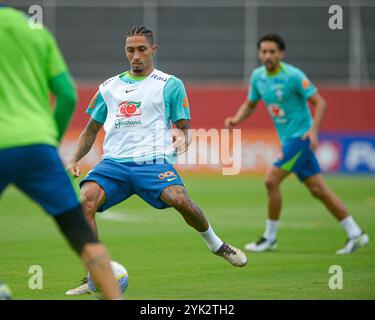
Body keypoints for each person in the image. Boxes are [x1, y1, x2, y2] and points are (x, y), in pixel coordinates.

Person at [65, 26, 247, 295]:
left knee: (180, 200)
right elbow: (91, 129)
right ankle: (94, 273)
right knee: (85, 202)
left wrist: (183, 141)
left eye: (141, 49)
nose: (135, 55)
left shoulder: (170, 84)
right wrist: (73, 159)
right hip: (114, 163)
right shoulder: (109, 87)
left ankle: (217, 245)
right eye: (130, 50)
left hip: (153, 162)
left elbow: (184, 128)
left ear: (153, 49)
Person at [0, 3, 122, 299]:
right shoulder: (36, 31)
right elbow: (67, 95)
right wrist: (50, 139)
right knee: (79, 232)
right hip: (38, 145)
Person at [225, 34, 369, 254]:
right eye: (264, 51)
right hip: (289, 140)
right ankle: (356, 234)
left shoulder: (293, 76)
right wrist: (236, 119)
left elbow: (320, 103)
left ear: (281, 54)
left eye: (272, 52)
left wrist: (313, 131)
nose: (268, 56)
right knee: (319, 189)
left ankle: (269, 238)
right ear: (259, 54)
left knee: (271, 180)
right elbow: (251, 104)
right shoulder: (258, 77)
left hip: (300, 139)